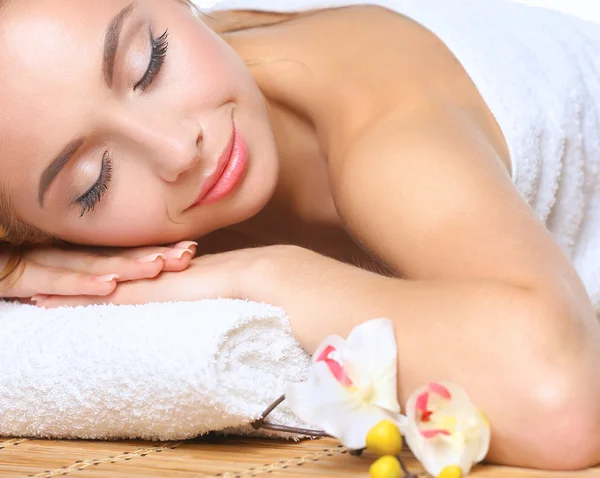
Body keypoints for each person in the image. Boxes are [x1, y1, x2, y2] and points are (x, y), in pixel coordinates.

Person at [0, 0, 599, 470]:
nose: (178, 150)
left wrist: (263, 274)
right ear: (36, 235)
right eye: (91, 183)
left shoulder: (384, 138)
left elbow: (562, 401)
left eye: (149, 63)